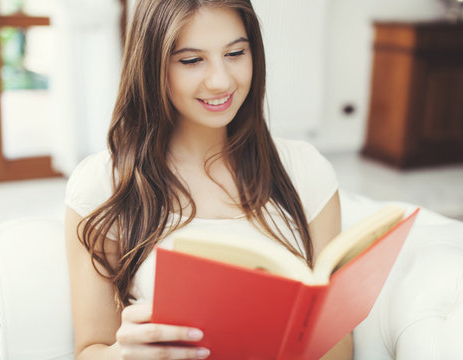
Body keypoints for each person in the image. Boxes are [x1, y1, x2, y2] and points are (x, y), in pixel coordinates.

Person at [65, 0, 353, 359]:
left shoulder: (306, 170)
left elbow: (339, 348)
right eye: (191, 60)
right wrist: (123, 353)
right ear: (151, 64)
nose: (221, 80)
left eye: (235, 53)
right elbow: (90, 349)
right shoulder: (103, 185)